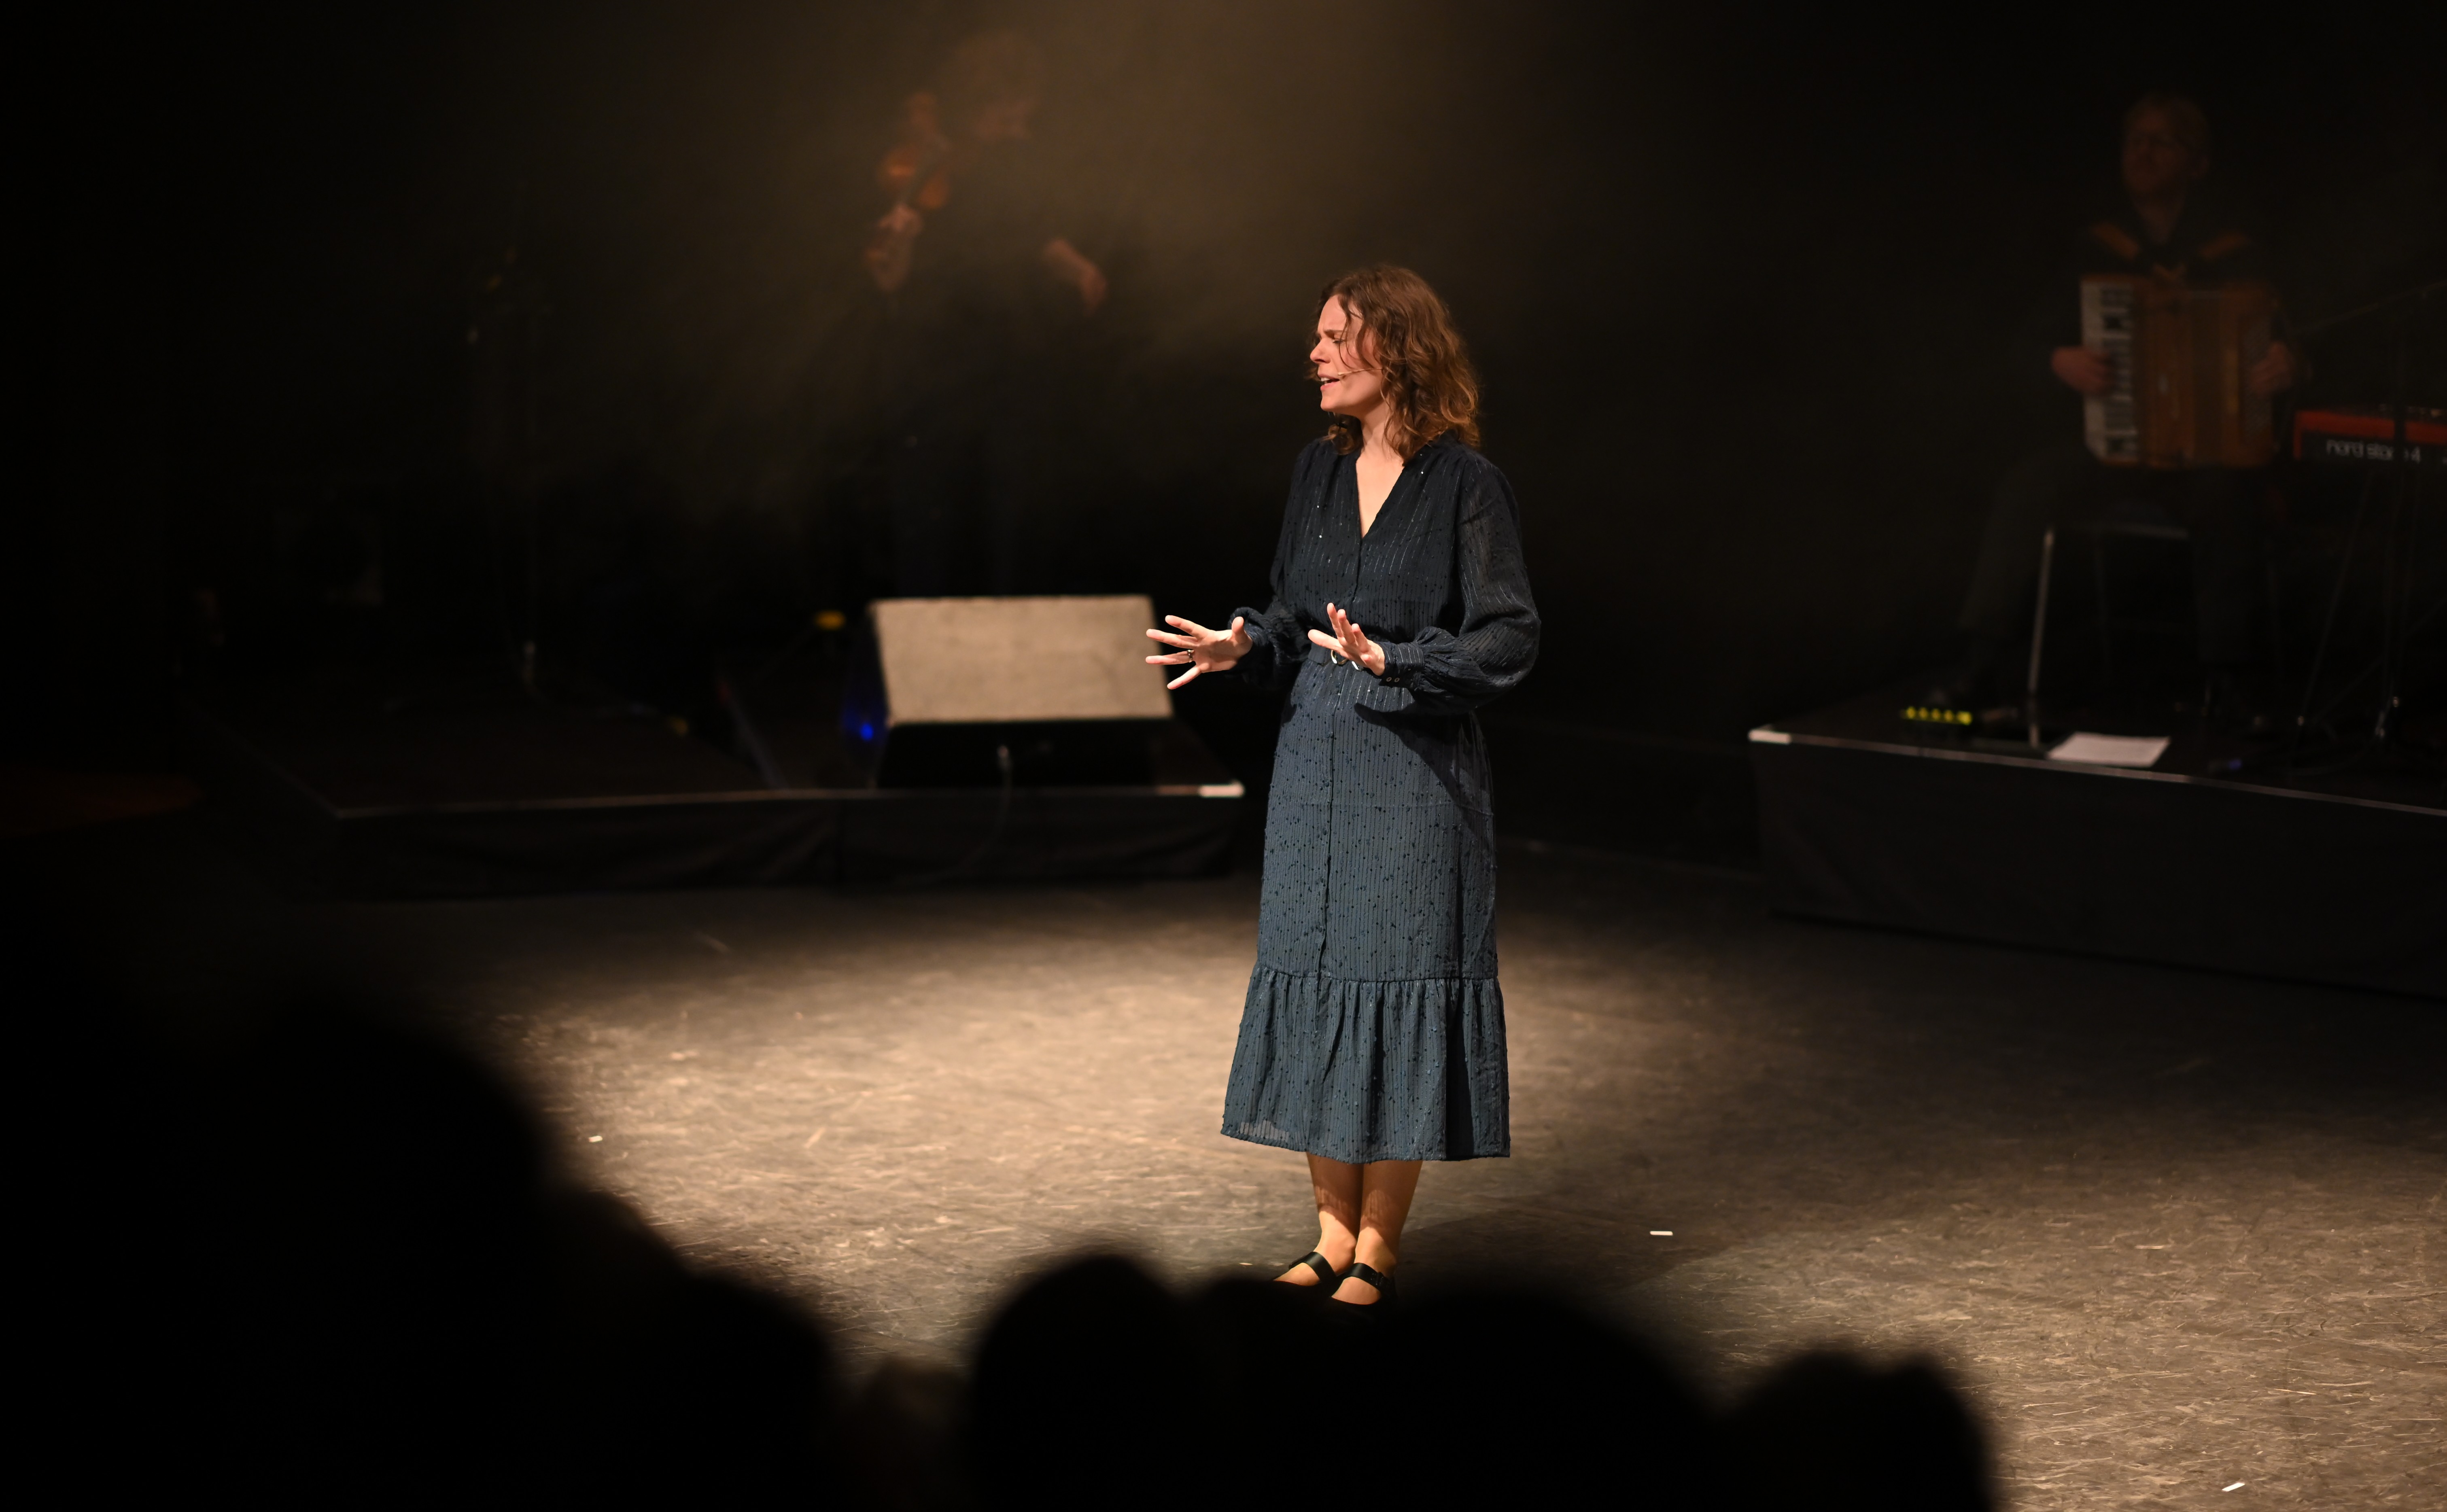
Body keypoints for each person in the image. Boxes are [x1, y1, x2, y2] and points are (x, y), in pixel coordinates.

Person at [1145, 266, 1539, 1306]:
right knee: (1317, 972)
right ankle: (1328, 1236)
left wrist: (1399, 661)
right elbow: (1293, 615)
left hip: (1413, 762)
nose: (1315, 355)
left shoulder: (1466, 485)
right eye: (1316, 337)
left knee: (1396, 975)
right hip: (1315, 755)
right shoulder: (1315, 475)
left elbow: (1509, 635)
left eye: (1335, 336)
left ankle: (1379, 1245)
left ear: (1395, 348)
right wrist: (1245, 641)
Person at [1930, 93, 2294, 722]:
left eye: (2160, 141)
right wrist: (2060, 360)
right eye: (2133, 141)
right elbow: (2024, 348)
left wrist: (2288, 362)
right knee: (2027, 486)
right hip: (2116, 451)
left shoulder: (2237, 252)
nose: (2142, 153)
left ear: (2198, 164)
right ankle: (1981, 666)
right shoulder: (2096, 249)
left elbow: (2297, 344)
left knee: (2230, 497)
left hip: (2206, 459)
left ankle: (2228, 682)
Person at [863, 30, 1106, 597]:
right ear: (978, 107)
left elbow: (1032, 234)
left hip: (1005, 352)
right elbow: (887, 278)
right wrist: (898, 242)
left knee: (1014, 493)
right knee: (932, 498)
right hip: (934, 357)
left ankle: (1014, 611)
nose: (1021, 130)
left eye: (1023, 117)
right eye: (1009, 117)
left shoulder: (1004, 165)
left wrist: (1077, 268)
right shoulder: (923, 168)